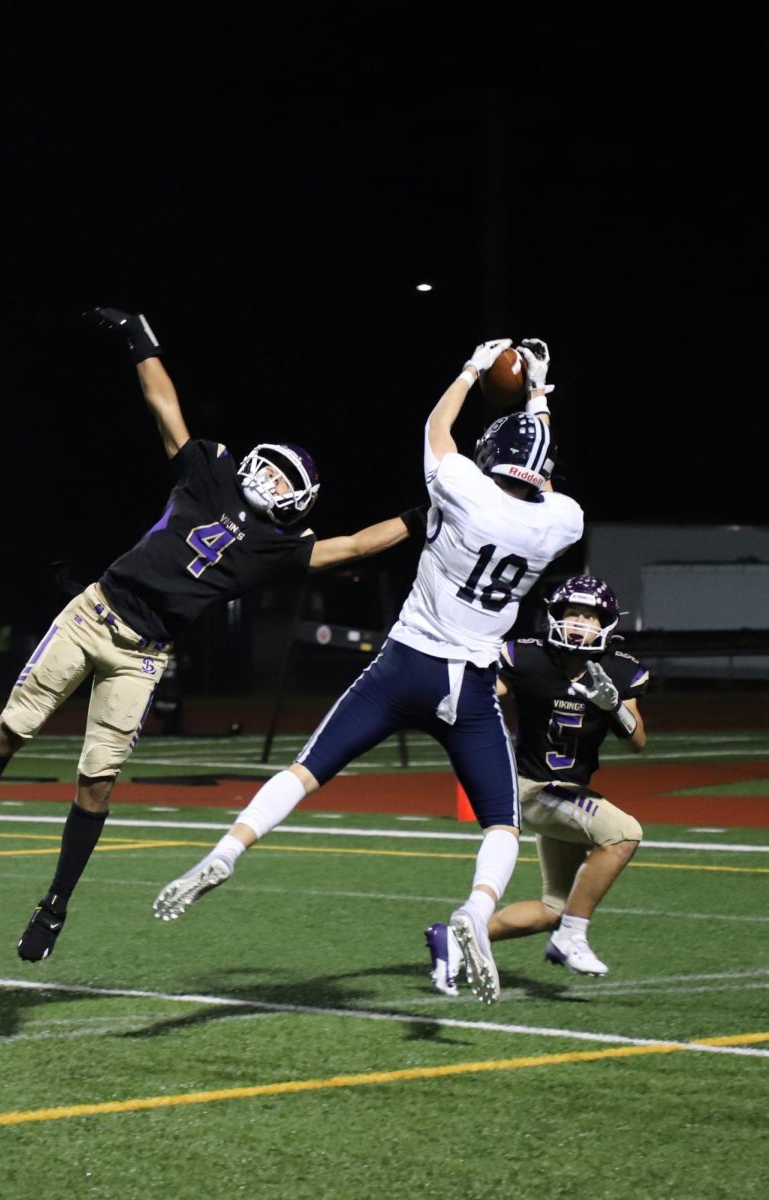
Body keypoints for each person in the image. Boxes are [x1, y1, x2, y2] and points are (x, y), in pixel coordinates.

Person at [0, 306, 419, 962]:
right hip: (94, 611)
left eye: (288, 481)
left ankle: (55, 903)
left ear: (298, 500)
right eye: (274, 467)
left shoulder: (275, 546)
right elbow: (164, 407)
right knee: (10, 730)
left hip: (142, 657)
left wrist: (421, 515)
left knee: (96, 783)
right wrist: (139, 337)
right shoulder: (209, 471)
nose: (272, 479)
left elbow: (349, 547)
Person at [153, 336, 585, 1005]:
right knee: (501, 825)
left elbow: (437, 428)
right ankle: (475, 909)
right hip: (467, 687)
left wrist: (472, 368)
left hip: (404, 664)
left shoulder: (462, 486)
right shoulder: (561, 522)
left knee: (304, 771)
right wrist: (538, 396)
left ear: (491, 456)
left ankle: (230, 848)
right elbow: (543, 475)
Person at [425, 574, 647, 993]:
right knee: (623, 834)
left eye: (589, 616)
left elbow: (637, 741)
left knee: (554, 907)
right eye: (572, 614)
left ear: (606, 624)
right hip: (531, 787)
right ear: (556, 617)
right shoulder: (529, 658)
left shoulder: (619, 671)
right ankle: (571, 937)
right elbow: (481, 694)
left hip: (570, 794)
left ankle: (454, 941)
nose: (579, 623)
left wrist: (614, 706)